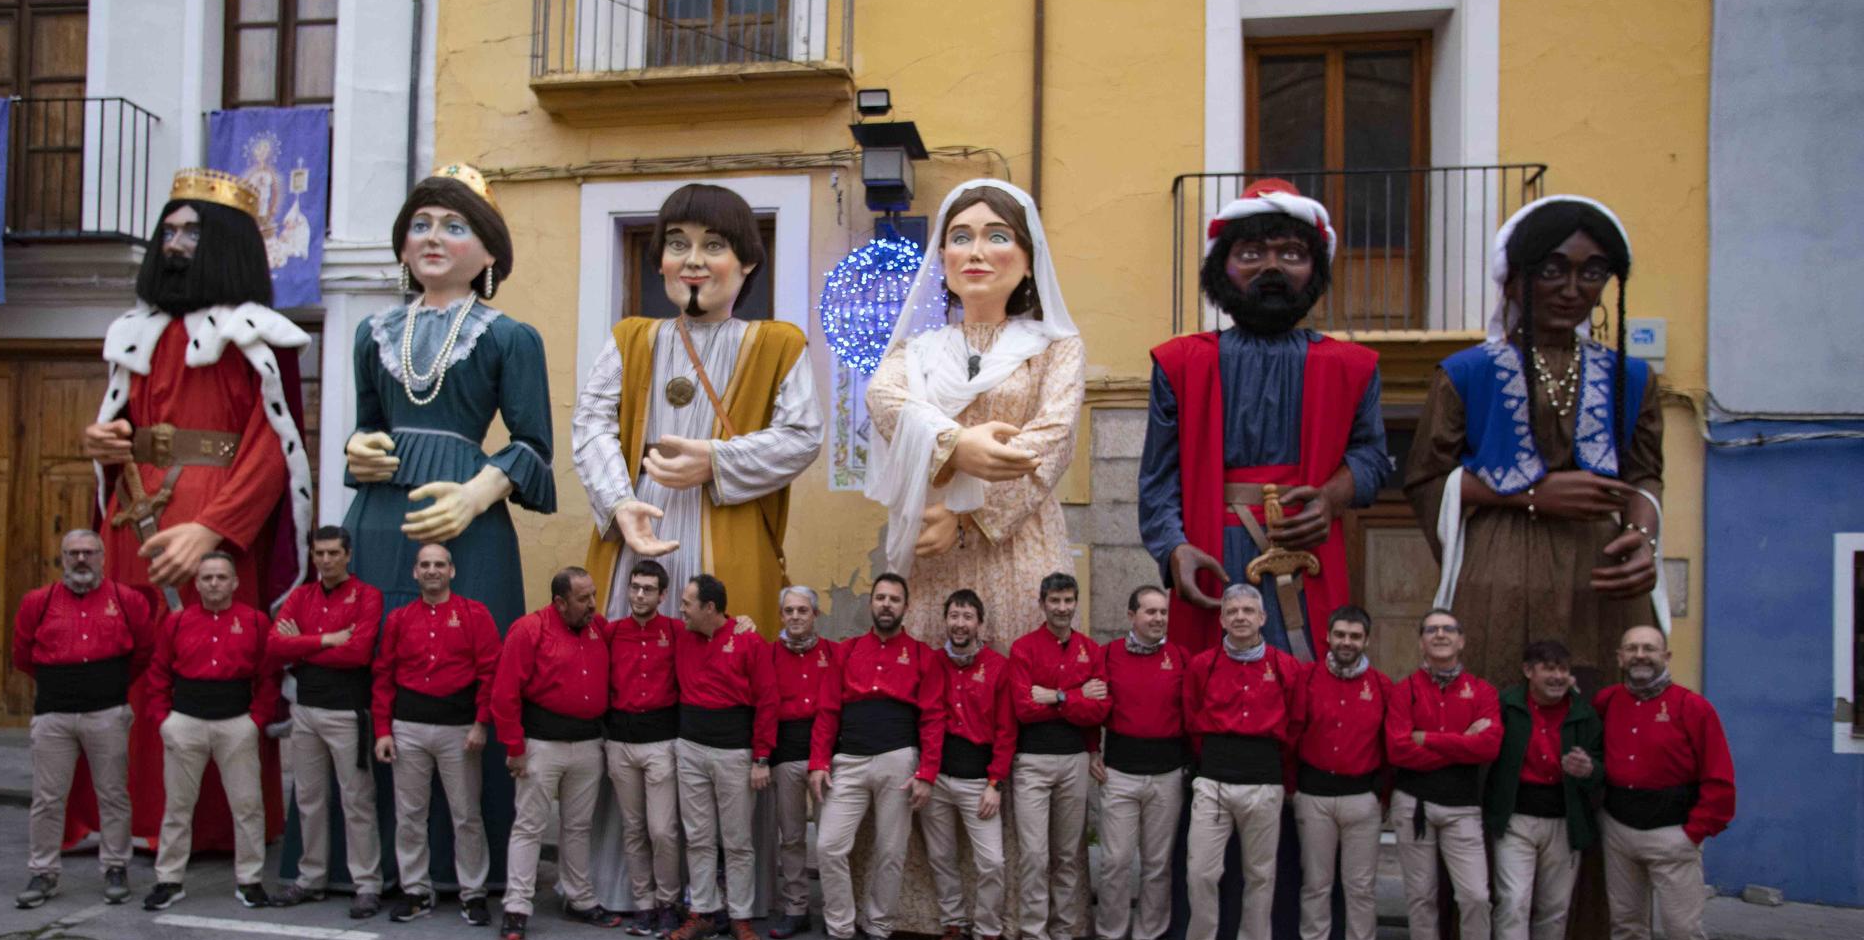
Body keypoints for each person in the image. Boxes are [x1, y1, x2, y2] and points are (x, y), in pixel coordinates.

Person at [77, 168, 308, 865]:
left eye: (191, 231)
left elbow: (278, 448)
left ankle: (211, 827)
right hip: (134, 520)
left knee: (213, 661)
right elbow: (121, 429)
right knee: (131, 663)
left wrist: (214, 532)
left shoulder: (257, 337)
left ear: (226, 244)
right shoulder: (132, 335)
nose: (175, 242)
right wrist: (102, 444)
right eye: (168, 230)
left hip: (213, 528)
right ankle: (129, 817)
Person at [340, 165, 555, 899]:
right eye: (422, 224)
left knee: (474, 670)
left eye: (455, 225)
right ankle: (358, 863)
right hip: (379, 514)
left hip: (469, 517)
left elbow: (532, 444)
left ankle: (475, 866)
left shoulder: (511, 337)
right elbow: (366, 424)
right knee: (370, 660)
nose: (434, 237)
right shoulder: (371, 332)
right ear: (402, 245)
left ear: (489, 253)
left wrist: (476, 493)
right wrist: (357, 449)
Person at [1406, 195, 1664, 689]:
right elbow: (1425, 478)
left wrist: (1645, 539)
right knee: (1501, 704)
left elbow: (1645, 474)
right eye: (1552, 270)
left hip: (1602, 568)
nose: (1572, 289)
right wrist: (1529, 494)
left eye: (1591, 273)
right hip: (1499, 569)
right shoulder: (1466, 373)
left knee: (1598, 709)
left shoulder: (1633, 377)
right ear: (1515, 279)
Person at [1139, 179, 1391, 659]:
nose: (1272, 266)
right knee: (1213, 695)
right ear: (1222, 267)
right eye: (1252, 253)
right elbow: (1158, 477)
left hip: (1307, 548)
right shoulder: (1180, 363)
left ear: (1316, 268)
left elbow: (1373, 458)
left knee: (1309, 690)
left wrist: (1332, 497)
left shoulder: (1353, 367)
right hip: (1211, 552)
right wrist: (1174, 550)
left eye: (1293, 254)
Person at [577, 184, 823, 637]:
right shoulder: (630, 339)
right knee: (633, 653)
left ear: (746, 261)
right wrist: (618, 501)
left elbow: (802, 435)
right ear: (660, 261)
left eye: (713, 245)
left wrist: (716, 460)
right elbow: (591, 423)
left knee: (726, 659)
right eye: (677, 244)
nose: (693, 260)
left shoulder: (779, 344)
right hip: (639, 522)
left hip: (730, 518)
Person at [864, 180, 1087, 648]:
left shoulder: (1055, 348)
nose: (975, 251)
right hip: (932, 549)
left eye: (997, 236)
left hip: (1019, 542)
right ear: (942, 256)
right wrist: (956, 444)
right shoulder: (916, 352)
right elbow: (885, 401)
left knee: (1020, 678)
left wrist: (962, 516)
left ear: (1029, 259)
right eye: (961, 237)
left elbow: (1050, 441)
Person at [1591, 626, 1736, 940]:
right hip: (1619, 827)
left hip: (1673, 833)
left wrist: (1693, 832)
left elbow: (1719, 777)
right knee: (1626, 920)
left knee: (1684, 929)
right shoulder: (1608, 703)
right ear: (1620, 656)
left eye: (1649, 648)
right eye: (1632, 648)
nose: (1641, 655)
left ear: (1666, 654)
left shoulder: (1693, 708)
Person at [802, 574, 947, 940]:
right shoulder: (847, 652)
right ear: (871, 604)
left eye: (894, 599)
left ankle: (879, 930)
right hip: (848, 762)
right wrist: (818, 762)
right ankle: (841, 932)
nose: (886, 604)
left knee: (890, 851)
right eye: (880, 597)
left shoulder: (921, 655)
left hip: (899, 761)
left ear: (905, 607)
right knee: (829, 846)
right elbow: (828, 711)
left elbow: (933, 718)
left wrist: (927, 773)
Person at [10, 530, 153, 909]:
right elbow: (22, 654)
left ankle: (116, 867)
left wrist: (106, 687)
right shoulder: (37, 602)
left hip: (107, 713)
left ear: (102, 558)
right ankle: (43, 872)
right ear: (61, 558)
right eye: (73, 553)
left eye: (89, 552)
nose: (80, 559)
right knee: (47, 798)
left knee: (114, 795)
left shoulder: (127, 600)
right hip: (53, 716)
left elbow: (142, 652)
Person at [1175, 585, 1306, 940]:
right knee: (1201, 871)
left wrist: (1282, 781)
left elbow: (1297, 723)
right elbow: (1192, 717)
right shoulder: (1203, 665)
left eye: (1249, 610)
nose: (1240, 617)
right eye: (1232, 611)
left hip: (1264, 783)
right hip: (1213, 781)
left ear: (1263, 618)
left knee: (1260, 876)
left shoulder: (1285, 667)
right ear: (1222, 619)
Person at [140, 553, 281, 911]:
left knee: (248, 806)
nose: (214, 584)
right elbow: (157, 675)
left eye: (221, 577)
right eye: (207, 578)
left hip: (237, 725)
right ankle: (169, 880)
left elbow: (268, 676)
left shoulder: (254, 621)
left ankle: (249, 881)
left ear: (234, 582)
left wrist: (256, 721)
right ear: (197, 583)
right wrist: (163, 720)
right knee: (178, 807)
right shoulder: (177, 623)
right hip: (185, 723)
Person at [370, 544, 501, 926]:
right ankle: (415, 890)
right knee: (410, 815)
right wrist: (382, 731)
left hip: (460, 731)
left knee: (466, 816)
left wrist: (481, 723)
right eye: (425, 565)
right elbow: (383, 676)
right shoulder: (398, 619)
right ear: (414, 573)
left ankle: (473, 893)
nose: (432, 571)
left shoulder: (474, 615)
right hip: (407, 728)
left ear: (452, 571)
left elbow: (490, 672)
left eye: (439, 565)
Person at [492, 568, 621, 940]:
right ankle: (517, 905)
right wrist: (514, 748)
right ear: (560, 602)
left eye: (593, 596)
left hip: (587, 745)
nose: (592, 605)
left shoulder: (598, 628)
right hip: (541, 745)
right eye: (583, 599)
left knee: (578, 827)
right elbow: (504, 694)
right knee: (529, 826)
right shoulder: (528, 630)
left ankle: (579, 898)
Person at [1387, 609, 1503, 940]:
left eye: (1448, 629)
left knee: (1474, 896)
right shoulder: (1405, 692)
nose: (1439, 635)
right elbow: (1398, 750)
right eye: (1431, 630)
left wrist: (1429, 740)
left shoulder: (1482, 692)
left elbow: (1488, 748)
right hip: (1413, 805)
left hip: (1463, 810)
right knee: (1421, 898)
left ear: (1462, 640)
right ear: (1421, 641)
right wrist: (1459, 744)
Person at [1484, 639, 1603, 940]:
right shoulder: (1507, 705)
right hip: (1516, 819)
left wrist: (1589, 770)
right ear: (1528, 671)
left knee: (1554, 907)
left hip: (1564, 822)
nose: (1556, 676)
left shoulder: (1584, 715)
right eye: (1548, 668)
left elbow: (1605, 767)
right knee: (1514, 901)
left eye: (1562, 669)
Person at [267, 526, 385, 918]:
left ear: (348, 554)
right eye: (319, 553)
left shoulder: (368, 596)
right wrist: (325, 640)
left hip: (347, 714)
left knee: (357, 800)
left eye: (333, 553)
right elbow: (273, 646)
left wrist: (301, 646)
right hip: (305, 712)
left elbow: (358, 653)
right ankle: (310, 879)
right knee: (308, 799)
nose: (326, 560)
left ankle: (367, 884)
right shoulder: (301, 596)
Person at [663, 573, 777, 940]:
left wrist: (761, 757)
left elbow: (767, 702)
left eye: (687, 603)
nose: (681, 609)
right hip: (690, 749)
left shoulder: (749, 642)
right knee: (698, 838)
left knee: (738, 841)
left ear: (710, 608)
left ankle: (741, 917)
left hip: (735, 755)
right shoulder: (681, 635)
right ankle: (704, 913)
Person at [1007, 572, 1110, 940]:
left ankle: (1063, 935)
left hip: (1074, 763)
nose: (1062, 608)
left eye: (1069, 600)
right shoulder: (1024, 648)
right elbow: (1022, 707)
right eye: (1055, 600)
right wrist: (1079, 696)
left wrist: (1056, 696)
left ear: (1076, 603)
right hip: (1031, 762)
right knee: (1034, 855)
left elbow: (1100, 711)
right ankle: (1033, 939)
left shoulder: (1090, 650)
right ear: (1043, 603)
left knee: (1068, 855)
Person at [1288, 604, 1392, 940]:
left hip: (1361, 799)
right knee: (1316, 884)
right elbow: (1294, 734)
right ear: (1327, 638)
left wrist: (1381, 796)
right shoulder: (1308, 679)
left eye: (1355, 636)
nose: (1347, 643)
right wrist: (1292, 787)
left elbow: (1389, 747)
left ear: (1366, 640)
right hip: (1314, 796)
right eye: (1340, 635)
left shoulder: (1382, 686)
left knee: (1361, 888)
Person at [1090, 586, 1187, 940]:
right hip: (1120, 774)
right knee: (1114, 861)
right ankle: (1108, 939)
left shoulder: (1180, 657)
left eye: (1163, 612)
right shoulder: (1109, 654)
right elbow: (1094, 704)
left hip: (1166, 775)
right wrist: (1091, 750)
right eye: (1149, 612)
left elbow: (1191, 712)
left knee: (1157, 864)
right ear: (1131, 615)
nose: (1158, 619)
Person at [919, 590, 1016, 940]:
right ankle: (954, 928)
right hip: (938, 779)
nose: (960, 623)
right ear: (946, 621)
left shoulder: (997, 666)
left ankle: (987, 936)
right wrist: (926, 776)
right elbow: (928, 720)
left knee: (991, 862)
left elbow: (1007, 730)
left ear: (980, 624)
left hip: (980, 782)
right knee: (942, 859)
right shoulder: (933, 662)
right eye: (954, 616)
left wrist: (995, 782)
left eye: (967, 616)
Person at [604, 559, 684, 938]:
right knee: (633, 829)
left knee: (662, 829)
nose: (639, 595)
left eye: (648, 589)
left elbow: (717, 632)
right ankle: (644, 905)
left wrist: (744, 622)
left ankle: (669, 903)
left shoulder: (676, 631)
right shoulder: (611, 632)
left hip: (661, 743)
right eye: (635, 587)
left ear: (662, 594)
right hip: (619, 743)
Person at [768, 585, 832, 940]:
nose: (795, 617)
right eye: (789, 610)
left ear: (815, 616)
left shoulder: (833, 653)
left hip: (825, 760)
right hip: (785, 756)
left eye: (802, 611)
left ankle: (836, 911)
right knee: (791, 837)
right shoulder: (769, 654)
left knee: (829, 839)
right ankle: (796, 908)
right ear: (781, 615)